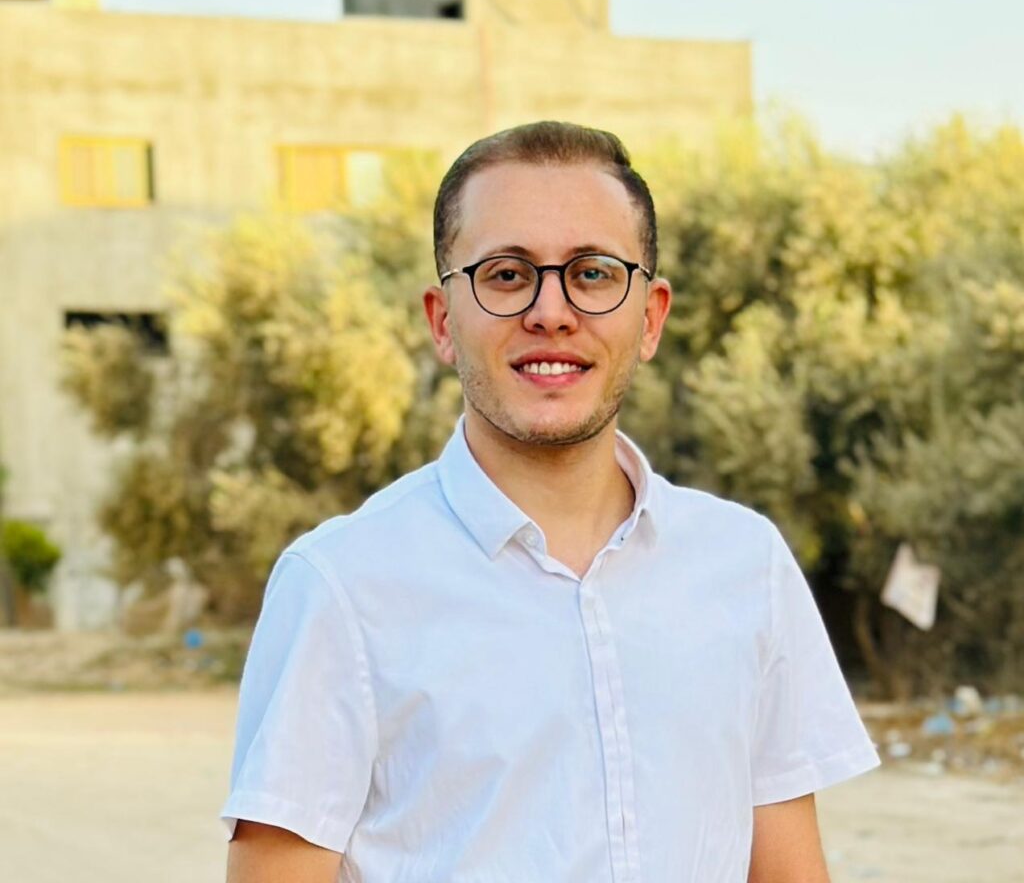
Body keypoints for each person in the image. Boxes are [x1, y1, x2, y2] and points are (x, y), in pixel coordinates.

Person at [221, 121, 880, 883]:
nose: (551, 311)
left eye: (593, 273)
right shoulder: (341, 585)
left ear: (651, 318)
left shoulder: (746, 563)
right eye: (506, 274)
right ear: (443, 321)